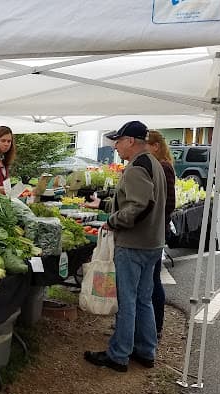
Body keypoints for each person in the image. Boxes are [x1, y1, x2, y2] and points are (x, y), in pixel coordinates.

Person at [84, 120, 166, 372]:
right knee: (143, 300)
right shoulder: (155, 164)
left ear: (131, 141)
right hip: (152, 243)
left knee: (128, 300)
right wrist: (109, 207)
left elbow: (139, 205)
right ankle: (145, 351)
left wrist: (113, 220)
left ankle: (119, 355)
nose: (116, 146)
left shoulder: (136, 168)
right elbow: (140, 201)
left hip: (134, 244)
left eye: (118, 141)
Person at [146, 130, 176, 339]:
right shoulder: (161, 165)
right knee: (152, 279)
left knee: (153, 280)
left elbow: (168, 203)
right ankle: (152, 325)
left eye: (146, 144)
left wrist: (155, 219)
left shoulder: (163, 167)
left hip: (155, 231)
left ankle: (156, 325)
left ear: (155, 146)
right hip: (157, 229)